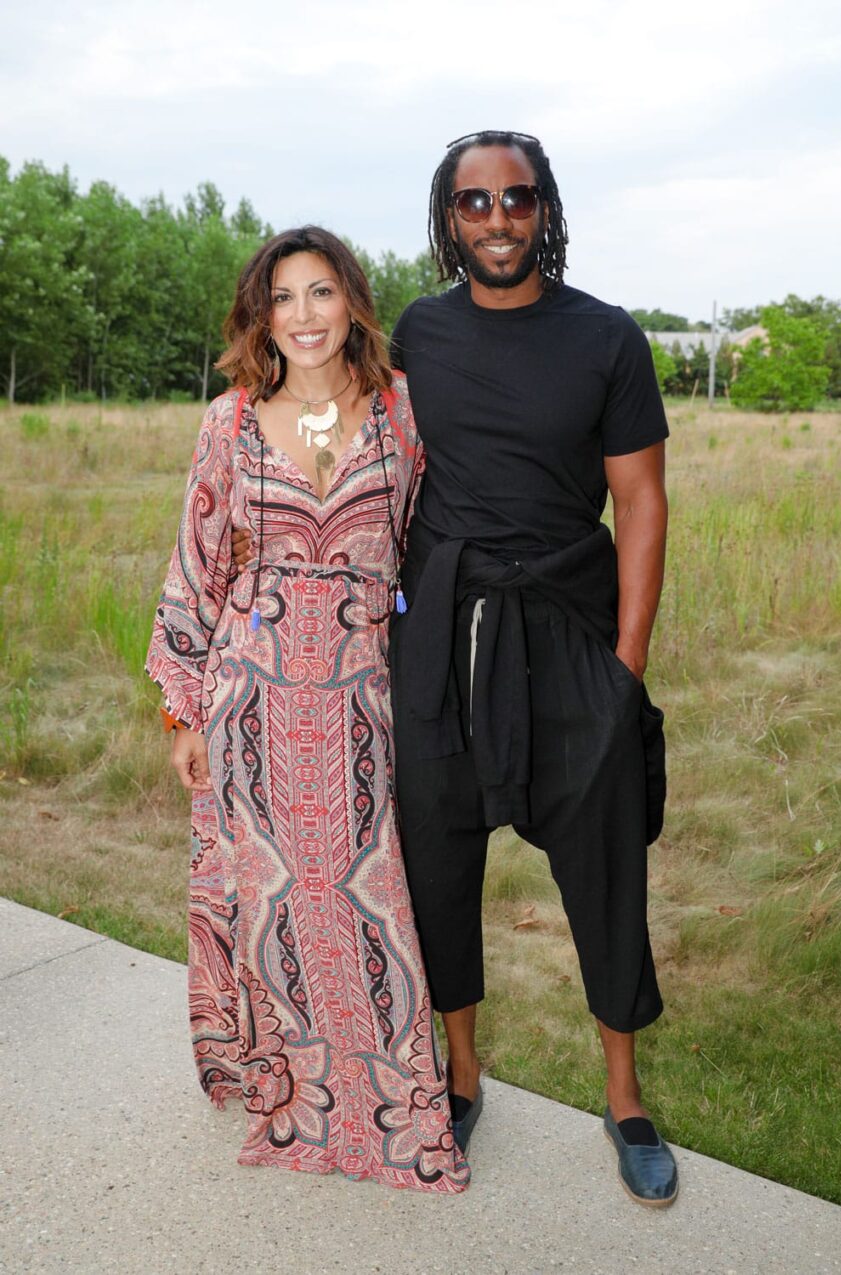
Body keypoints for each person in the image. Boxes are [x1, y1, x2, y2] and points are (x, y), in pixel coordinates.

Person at [387, 130, 678, 1206]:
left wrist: (624, 667)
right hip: (444, 640)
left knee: (604, 868)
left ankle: (625, 1094)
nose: (496, 219)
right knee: (438, 864)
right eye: (474, 203)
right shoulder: (417, 331)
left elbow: (641, 502)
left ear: (543, 208)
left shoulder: (604, 337)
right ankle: (460, 1076)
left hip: (567, 628)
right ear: (448, 216)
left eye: (515, 200)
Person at [146, 226, 469, 1193]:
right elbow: (194, 568)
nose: (304, 315)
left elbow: (428, 540)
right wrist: (186, 715)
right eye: (283, 298)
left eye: (320, 293)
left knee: (370, 900)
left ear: (352, 302)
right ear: (262, 315)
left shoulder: (403, 412)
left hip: (365, 695)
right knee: (270, 903)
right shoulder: (231, 420)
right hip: (250, 698)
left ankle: (394, 1107)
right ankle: (287, 1087)